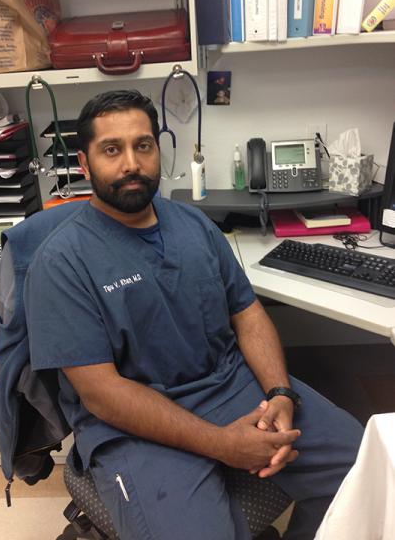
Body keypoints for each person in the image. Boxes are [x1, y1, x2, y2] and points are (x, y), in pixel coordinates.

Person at [24, 90, 363, 540]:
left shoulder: (194, 224)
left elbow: (247, 312)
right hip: (135, 424)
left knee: (361, 466)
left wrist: (280, 394)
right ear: (84, 165)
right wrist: (224, 445)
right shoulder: (61, 262)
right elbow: (103, 394)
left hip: (230, 386)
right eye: (112, 150)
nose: (131, 163)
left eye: (143, 146)